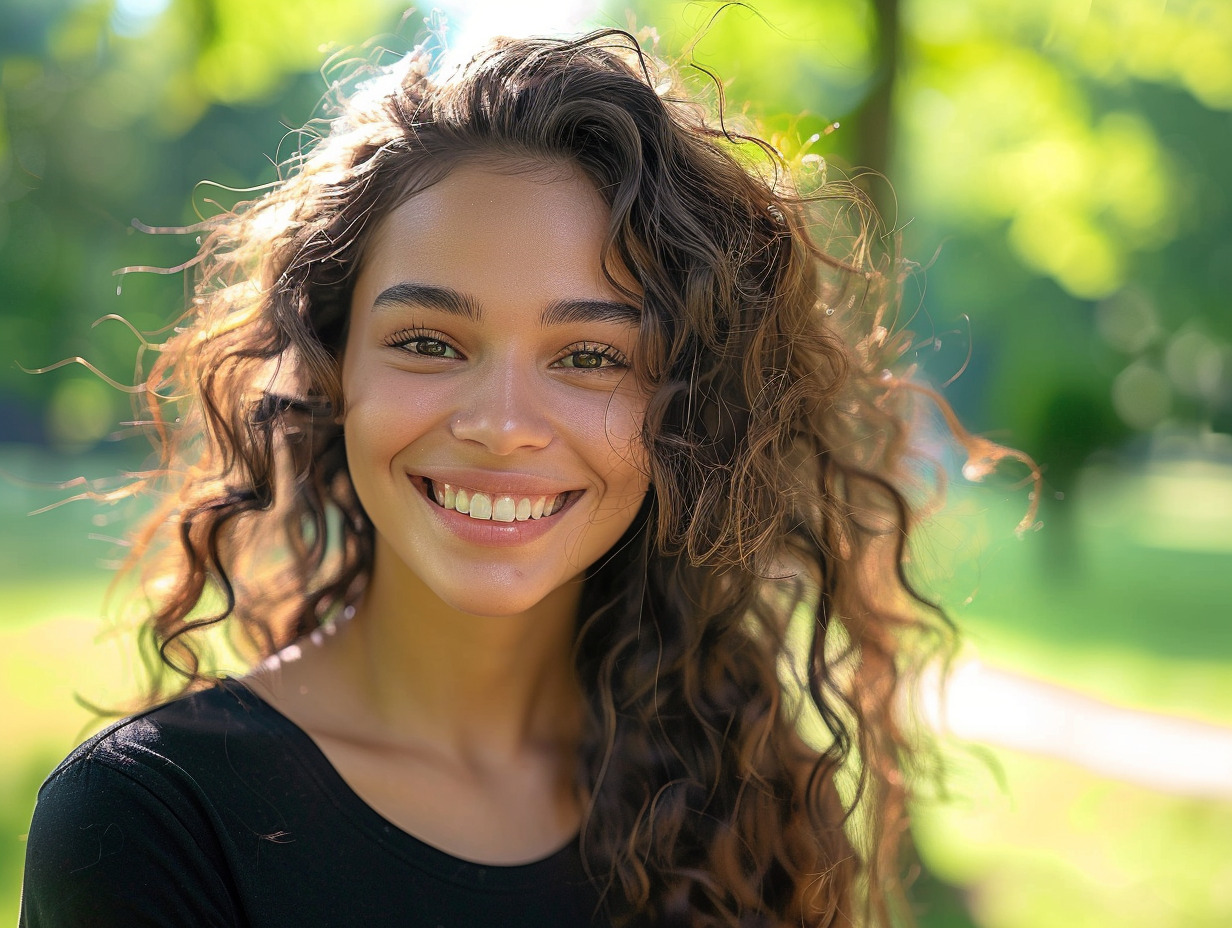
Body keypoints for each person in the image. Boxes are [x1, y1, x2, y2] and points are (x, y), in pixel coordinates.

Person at [19, 26, 1007, 928]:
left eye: (589, 357)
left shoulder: (734, 783)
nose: (500, 426)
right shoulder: (150, 820)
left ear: (685, 411)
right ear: (332, 370)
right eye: (427, 341)